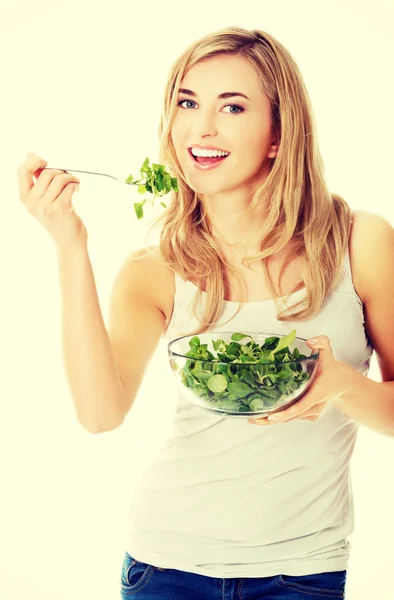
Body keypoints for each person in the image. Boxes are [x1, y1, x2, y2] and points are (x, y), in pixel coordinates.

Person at [17, 26, 394, 600]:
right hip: (165, 567)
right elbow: (100, 413)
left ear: (277, 134)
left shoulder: (358, 243)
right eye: (187, 102)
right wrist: (71, 246)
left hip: (303, 570)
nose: (201, 127)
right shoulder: (155, 266)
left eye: (232, 107)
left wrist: (340, 384)